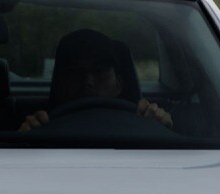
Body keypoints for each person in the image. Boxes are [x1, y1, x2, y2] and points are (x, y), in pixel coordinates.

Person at [19, 28, 172, 131]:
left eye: (100, 71)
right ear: (61, 83)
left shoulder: (147, 126)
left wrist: (162, 129)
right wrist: (26, 142)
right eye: (76, 72)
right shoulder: (41, 129)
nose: (88, 81)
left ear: (119, 84)